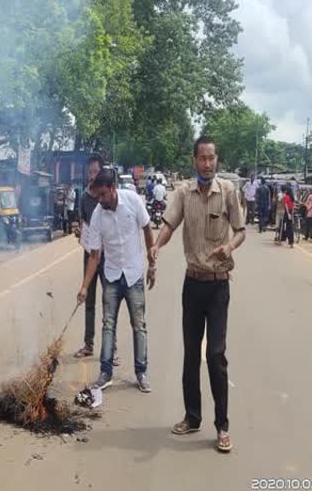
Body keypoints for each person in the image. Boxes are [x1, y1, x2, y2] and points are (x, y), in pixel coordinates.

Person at [151, 137, 246, 453]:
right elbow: (168, 224)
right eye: (202, 158)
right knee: (191, 353)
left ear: (217, 159)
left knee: (215, 354)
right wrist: (156, 245)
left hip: (219, 285)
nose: (207, 163)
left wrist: (230, 246)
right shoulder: (182, 194)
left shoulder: (229, 192)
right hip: (192, 285)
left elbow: (241, 230)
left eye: (212, 158)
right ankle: (192, 417)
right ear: (194, 160)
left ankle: (222, 426)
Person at [77, 168, 155, 393]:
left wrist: (152, 264)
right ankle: (105, 372)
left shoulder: (132, 201)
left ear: (112, 189)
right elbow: (94, 255)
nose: (99, 200)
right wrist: (84, 286)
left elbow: (148, 229)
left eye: (102, 195)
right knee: (108, 324)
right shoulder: (97, 216)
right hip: (111, 275)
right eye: (97, 196)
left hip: (133, 274)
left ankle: (141, 372)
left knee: (138, 325)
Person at [73, 155, 116, 364]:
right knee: (88, 300)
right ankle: (88, 344)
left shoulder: (106, 195)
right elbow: (81, 222)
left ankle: (111, 348)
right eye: (89, 172)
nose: (91, 176)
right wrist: (78, 230)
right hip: (89, 254)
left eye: (94, 172)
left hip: (107, 257)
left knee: (109, 301)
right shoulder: (83, 198)